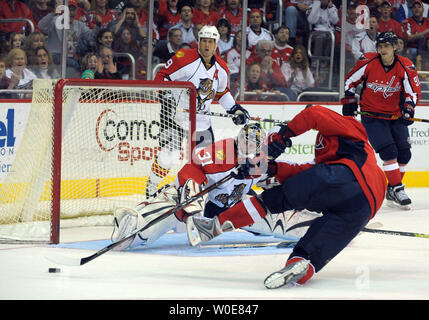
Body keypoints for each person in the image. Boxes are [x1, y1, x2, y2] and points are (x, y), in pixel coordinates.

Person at [186, 104, 387, 288]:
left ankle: (212, 226)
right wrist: (271, 168)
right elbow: (311, 172)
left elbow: (313, 113)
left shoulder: (350, 127)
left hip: (350, 175)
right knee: (313, 247)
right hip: (365, 207)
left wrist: (281, 137)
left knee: (272, 200)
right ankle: (299, 265)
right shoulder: (333, 151)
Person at [111, 123, 320, 250]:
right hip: (197, 206)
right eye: (244, 141)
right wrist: (192, 206)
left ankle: (316, 229)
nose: (247, 146)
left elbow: (284, 175)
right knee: (170, 207)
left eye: (252, 143)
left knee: (272, 212)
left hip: (230, 211)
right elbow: (191, 171)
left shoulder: (261, 161)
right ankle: (133, 228)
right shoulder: (223, 151)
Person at [146, 25, 250, 198]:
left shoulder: (222, 68)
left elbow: (222, 92)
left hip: (201, 121)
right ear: (199, 42)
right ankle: (151, 189)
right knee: (169, 156)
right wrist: (165, 94)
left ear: (216, 44)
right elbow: (162, 76)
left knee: (204, 161)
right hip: (176, 117)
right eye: (204, 41)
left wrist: (234, 109)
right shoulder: (183, 57)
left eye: (211, 42)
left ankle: (190, 193)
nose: (207, 45)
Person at [343, 31, 421, 209]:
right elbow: (350, 81)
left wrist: (409, 108)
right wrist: (349, 100)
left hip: (395, 115)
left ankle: (392, 189)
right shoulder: (369, 61)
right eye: (380, 46)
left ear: (395, 47)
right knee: (389, 152)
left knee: (404, 154)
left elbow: (413, 92)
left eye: (386, 46)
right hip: (372, 116)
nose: (382, 49)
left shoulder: (405, 65)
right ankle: (398, 189)